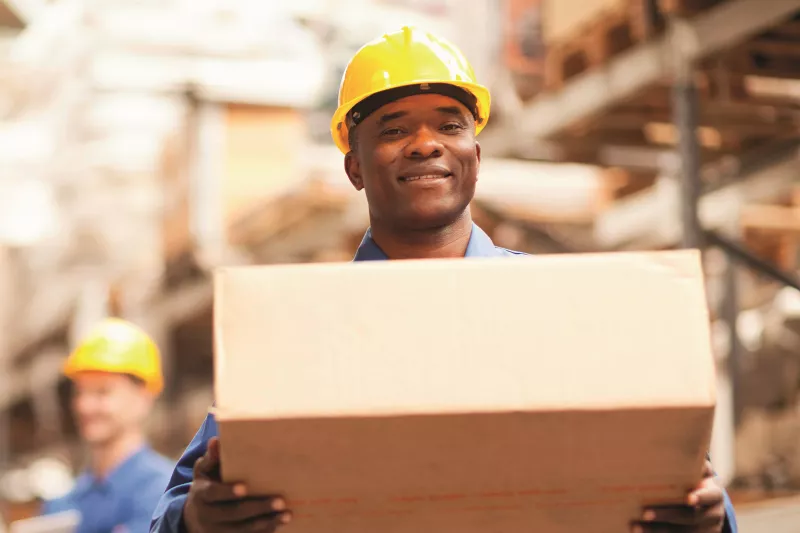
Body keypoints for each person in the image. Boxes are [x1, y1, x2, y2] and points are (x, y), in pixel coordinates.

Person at [150, 26, 738, 533]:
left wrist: (709, 518)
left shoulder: (562, 311)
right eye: (393, 129)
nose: (425, 144)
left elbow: (679, 471)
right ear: (354, 166)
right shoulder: (300, 334)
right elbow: (170, 514)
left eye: (449, 126)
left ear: (474, 157)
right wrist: (199, 520)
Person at [43, 318, 174, 533]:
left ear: (143, 399)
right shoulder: (61, 505)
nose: (84, 406)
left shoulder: (166, 493)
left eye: (102, 392)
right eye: (80, 392)